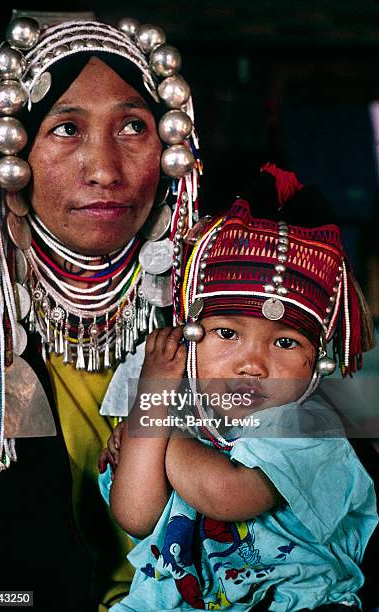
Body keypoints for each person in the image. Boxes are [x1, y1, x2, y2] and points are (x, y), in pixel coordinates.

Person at [0, 11, 201, 611]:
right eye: (66, 129)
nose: (104, 169)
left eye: (133, 128)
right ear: (9, 153)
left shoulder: (228, 314)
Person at [99, 164, 378, 610]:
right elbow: (136, 515)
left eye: (285, 343)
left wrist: (153, 432)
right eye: (227, 334)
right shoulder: (180, 410)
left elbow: (229, 495)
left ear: (315, 363)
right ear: (190, 337)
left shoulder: (308, 425)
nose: (252, 364)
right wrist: (148, 409)